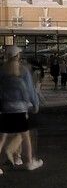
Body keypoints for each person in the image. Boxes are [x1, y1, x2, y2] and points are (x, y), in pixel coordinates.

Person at [0, 45, 43, 173]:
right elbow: (30, 90)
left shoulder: (2, 71)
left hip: (5, 108)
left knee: (2, 138)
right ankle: (30, 162)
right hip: (20, 108)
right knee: (26, 137)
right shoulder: (22, 70)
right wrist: (35, 104)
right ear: (18, 56)